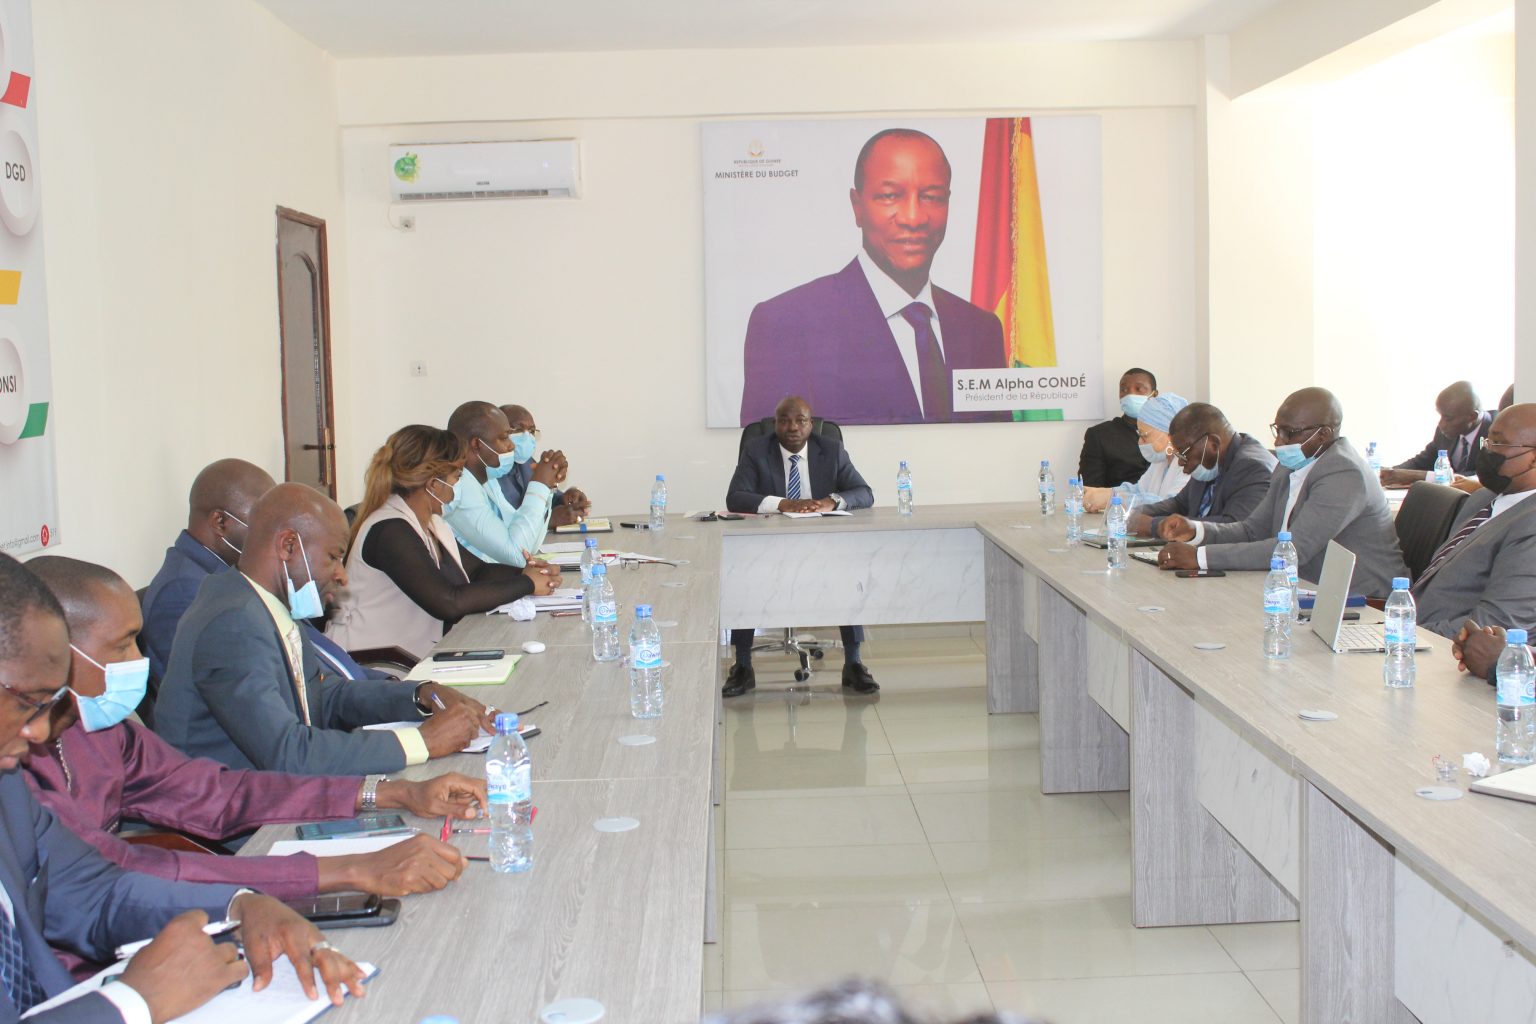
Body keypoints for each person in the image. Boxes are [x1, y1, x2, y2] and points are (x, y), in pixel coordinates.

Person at [0, 552, 367, 1022]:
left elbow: (95, 893)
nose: (37, 730)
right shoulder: (22, 771)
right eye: (28, 703)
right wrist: (133, 1001)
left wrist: (240, 905)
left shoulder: (9, 787)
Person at [26, 555, 483, 904]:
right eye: (122, 645)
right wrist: (351, 870)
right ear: (53, 650)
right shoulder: (19, 765)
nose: (138, 662)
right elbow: (121, 868)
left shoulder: (106, 733)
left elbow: (221, 794)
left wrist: (392, 793)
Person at [155, 482, 490, 775]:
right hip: (238, 817)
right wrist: (421, 742)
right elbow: (288, 753)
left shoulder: (260, 602)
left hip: (284, 790)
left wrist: (420, 695)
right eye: (333, 557)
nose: (342, 575)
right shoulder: (233, 623)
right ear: (288, 546)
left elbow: (325, 695)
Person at [739, 128, 1008, 426]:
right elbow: (770, 450)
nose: (913, 217)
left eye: (931, 197)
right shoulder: (787, 324)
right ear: (857, 207)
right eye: (890, 196)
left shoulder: (982, 330)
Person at [139, 460, 390, 730]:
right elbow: (269, 709)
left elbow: (313, 663)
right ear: (220, 522)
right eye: (258, 518)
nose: (269, 528)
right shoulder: (185, 592)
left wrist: (390, 691)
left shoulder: (249, 580)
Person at [328, 425, 558, 660]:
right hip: (377, 664)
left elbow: (477, 571)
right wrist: (527, 584)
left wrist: (529, 572)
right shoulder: (390, 531)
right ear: (433, 484)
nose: (459, 487)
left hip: (413, 654)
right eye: (457, 477)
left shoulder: (432, 522)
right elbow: (448, 602)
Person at [1156, 387, 1407, 597]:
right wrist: (1196, 531)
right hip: (1305, 588)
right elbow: (1253, 530)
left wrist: (1200, 557)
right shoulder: (1290, 465)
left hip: (1364, 602)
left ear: (1324, 434)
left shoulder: (1344, 472)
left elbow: (1294, 551)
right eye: (1278, 430)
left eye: (1290, 433)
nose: (1279, 442)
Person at [723, 396, 877, 697]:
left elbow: (864, 493)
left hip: (823, 544)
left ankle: (854, 664)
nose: (792, 427)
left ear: (811, 424)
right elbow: (736, 497)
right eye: (784, 421)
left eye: (800, 421)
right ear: (775, 423)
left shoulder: (831, 449)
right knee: (743, 575)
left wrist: (831, 501)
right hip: (768, 545)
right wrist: (783, 503)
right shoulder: (756, 449)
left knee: (848, 573)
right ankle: (742, 666)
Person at [1410, 404, 1536, 639]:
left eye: (1498, 443)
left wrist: (1407, 635)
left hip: (1444, 647)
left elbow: (1495, 625)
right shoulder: (1482, 499)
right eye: (1487, 441)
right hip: (1411, 628)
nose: (1487, 451)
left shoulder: (1531, 526)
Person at [440, 401, 566, 568]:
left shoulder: (487, 480)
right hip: (480, 581)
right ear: (477, 444)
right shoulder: (459, 487)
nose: (511, 445)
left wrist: (547, 487)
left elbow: (529, 544)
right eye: (505, 437)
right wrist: (539, 484)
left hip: (495, 576)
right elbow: (517, 554)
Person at [1128, 402, 1276, 538]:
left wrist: (1155, 526)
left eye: (1183, 454)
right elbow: (1179, 504)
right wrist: (1132, 515)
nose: (1180, 463)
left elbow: (1235, 527)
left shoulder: (1253, 468)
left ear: (1213, 444)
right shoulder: (1209, 460)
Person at [1082, 392, 1188, 513]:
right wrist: (1102, 492)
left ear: (1169, 434)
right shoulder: (1161, 461)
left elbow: (1170, 506)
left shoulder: (1189, 465)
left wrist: (1113, 498)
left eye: (1144, 436)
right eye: (1139, 434)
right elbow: (1138, 490)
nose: (1140, 442)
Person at [1380, 381, 1493, 488]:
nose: (1441, 424)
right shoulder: (1445, 431)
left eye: (1448, 418)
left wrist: (1418, 476)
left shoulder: (1496, 432)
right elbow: (1423, 461)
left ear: (1472, 416)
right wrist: (1391, 472)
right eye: (1441, 415)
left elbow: (1481, 477)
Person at [499, 403, 593, 527]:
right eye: (518, 429)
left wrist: (564, 499)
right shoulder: (489, 472)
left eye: (532, 431)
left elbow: (545, 498)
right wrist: (548, 520)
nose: (526, 436)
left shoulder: (527, 463)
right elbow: (502, 525)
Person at [1077, 367, 1157, 487]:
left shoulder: (1169, 432)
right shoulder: (1100, 435)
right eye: (1124, 390)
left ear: (1154, 395)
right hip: (1116, 498)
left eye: (1139, 389)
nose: (1130, 394)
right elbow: (1089, 488)